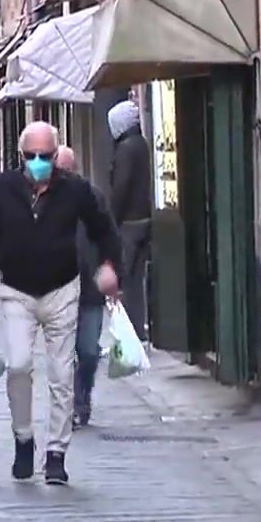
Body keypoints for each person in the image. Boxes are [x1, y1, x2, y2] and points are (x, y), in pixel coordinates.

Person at [0, 121, 122, 485]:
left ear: (55, 155)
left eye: (45, 156)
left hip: (63, 289)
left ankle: (56, 453)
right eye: (31, 156)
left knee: (62, 374)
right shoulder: (2, 189)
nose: (38, 162)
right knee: (18, 366)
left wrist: (110, 267)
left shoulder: (75, 191)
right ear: (21, 156)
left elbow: (104, 229)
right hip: (17, 290)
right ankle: (23, 439)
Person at [56, 145, 117, 427]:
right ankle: (72, 404)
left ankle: (83, 394)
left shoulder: (94, 198)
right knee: (64, 353)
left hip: (90, 288)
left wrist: (113, 270)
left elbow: (109, 237)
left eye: (69, 170)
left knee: (89, 352)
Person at [107, 100, 152, 342]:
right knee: (137, 278)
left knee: (125, 279)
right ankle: (138, 329)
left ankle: (130, 332)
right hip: (143, 217)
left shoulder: (125, 149)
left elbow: (120, 189)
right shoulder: (141, 144)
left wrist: (112, 220)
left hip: (129, 222)